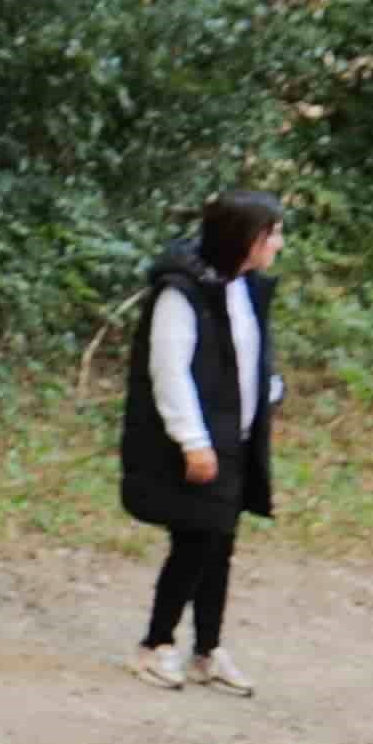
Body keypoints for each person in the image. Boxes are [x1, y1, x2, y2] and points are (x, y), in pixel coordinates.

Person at [122, 191, 285, 694]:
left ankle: (207, 651)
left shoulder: (245, 288)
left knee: (220, 545)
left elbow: (248, 354)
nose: (279, 244)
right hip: (196, 440)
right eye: (273, 234)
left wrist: (270, 390)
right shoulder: (181, 293)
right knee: (195, 542)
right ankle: (155, 644)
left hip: (235, 438)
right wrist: (192, 441)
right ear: (247, 239)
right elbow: (168, 370)